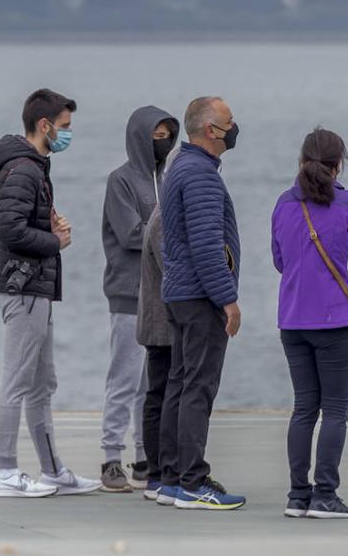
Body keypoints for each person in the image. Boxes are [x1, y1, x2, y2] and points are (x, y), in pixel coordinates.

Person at [0, 88, 100, 498]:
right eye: (65, 127)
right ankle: (5, 472)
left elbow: (18, 222)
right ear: (44, 125)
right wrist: (54, 241)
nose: (69, 134)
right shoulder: (24, 170)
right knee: (17, 381)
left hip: (34, 287)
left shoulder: (34, 167)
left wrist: (48, 227)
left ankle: (52, 470)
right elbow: (9, 229)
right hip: (23, 287)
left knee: (40, 383)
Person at [271, 128, 348, 520]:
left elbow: (281, 261)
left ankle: (298, 496)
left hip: (292, 319)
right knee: (335, 410)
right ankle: (325, 495)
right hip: (334, 320)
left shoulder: (284, 203)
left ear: (302, 162)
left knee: (304, 408)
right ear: (338, 166)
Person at [157, 96, 246, 511]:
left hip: (178, 292)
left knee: (179, 382)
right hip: (199, 295)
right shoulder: (201, 176)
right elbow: (208, 246)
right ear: (210, 130)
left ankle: (171, 477)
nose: (234, 127)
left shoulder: (180, 167)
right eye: (229, 122)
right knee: (198, 387)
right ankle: (192, 481)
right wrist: (227, 299)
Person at [98, 106, 179, 492]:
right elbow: (132, 235)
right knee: (124, 379)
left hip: (162, 297)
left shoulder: (168, 179)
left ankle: (146, 457)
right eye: (157, 135)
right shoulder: (121, 181)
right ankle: (111, 458)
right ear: (141, 137)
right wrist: (173, 233)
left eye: (168, 134)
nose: (164, 141)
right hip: (128, 295)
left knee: (152, 384)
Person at [136, 203, 171, 502]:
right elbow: (169, 266)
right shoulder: (162, 218)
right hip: (161, 323)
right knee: (159, 395)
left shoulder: (162, 214)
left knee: (159, 395)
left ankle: (159, 472)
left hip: (162, 321)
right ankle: (158, 473)